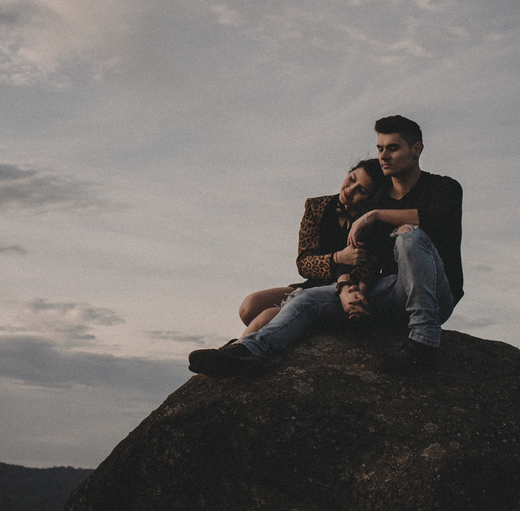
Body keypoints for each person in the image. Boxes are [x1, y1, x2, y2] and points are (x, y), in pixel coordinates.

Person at [188, 115, 462, 377]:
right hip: (393, 293)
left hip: (436, 293)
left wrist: (376, 215)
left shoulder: (444, 188)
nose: (383, 156)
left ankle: (423, 343)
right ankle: (250, 352)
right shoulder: (375, 199)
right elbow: (355, 254)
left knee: (409, 235)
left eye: (393, 148)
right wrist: (347, 290)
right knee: (307, 299)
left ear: (416, 149)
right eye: (380, 148)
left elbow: (438, 218)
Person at [236, 158, 388, 338]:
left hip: (345, 291)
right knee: (249, 307)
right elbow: (303, 263)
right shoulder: (316, 207)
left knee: (266, 318)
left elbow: (369, 267)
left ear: (371, 197)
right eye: (352, 179)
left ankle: (238, 349)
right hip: (311, 285)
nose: (350, 189)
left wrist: (352, 289)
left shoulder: (370, 222)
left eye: (361, 190)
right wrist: (338, 257)